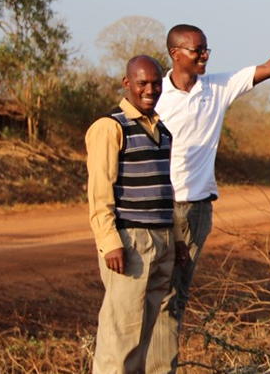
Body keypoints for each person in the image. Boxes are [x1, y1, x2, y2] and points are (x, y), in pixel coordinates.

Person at [146, 5, 270, 373]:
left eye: (206, 49)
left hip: (196, 210)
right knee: (150, 293)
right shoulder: (155, 96)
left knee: (175, 295)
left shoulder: (217, 88)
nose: (205, 56)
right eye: (197, 50)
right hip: (158, 206)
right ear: (175, 53)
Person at [86, 55, 189, 373]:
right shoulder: (110, 127)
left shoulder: (163, 131)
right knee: (120, 337)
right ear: (127, 83)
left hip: (162, 240)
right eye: (142, 83)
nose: (150, 90)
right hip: (131, 242)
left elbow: (166, 189)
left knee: (144, 336)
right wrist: (109, 242)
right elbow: (99, 192)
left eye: (156, 84)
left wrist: (177, 239)